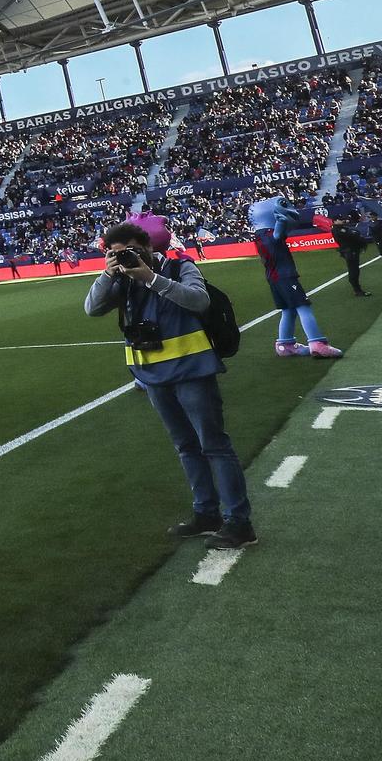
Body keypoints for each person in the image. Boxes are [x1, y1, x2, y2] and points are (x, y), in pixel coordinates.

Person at [85, 219, 255, 550]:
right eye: (117, 254)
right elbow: (92, 309)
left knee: (214, 445)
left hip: (191, 370)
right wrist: (108, 273)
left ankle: (240, 522)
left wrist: (149, 278)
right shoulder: (122, 279)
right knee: (185, 446)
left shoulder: (179, 267)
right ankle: (206, 514)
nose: (126, 258)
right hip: (152, 375)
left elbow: (198, 301)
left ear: (148, 247)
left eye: (131, 251)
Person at [246, 197, 342, 358]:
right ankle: (318, 343)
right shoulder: (270, 234)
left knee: (288, 310)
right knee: (303, 307)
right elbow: (278, 233)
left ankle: (285, 344)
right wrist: (281, 220)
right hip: (286, 276)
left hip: (273, 278)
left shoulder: (258, 236)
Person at [330, 214, 373, 297]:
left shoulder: (340, 228)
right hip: (349, 251)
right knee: (354, 270)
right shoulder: (337, 229)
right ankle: (357, 290)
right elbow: (353, 235)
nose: (342, 220)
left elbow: (354, 234)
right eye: (340, 219)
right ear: (335, 221)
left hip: (351, 251)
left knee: (355, 270)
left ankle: (357, 288)